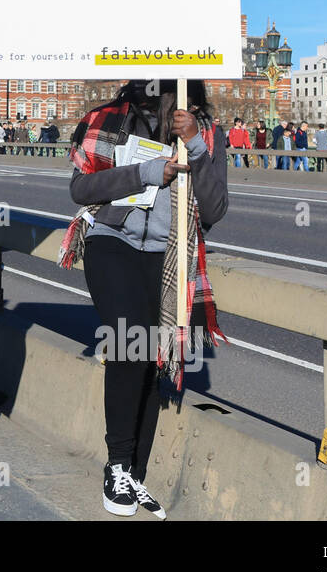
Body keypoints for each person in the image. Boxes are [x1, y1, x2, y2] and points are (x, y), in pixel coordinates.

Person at [62, 80, 228, 519]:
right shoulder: (108, 118)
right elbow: (81, 190)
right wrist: (146, 173)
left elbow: (213, 210)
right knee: (127, 342)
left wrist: (193, 144)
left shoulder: (206, 131)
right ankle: (116, 465)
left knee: (153, 356)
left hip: (169, 253)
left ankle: (135, 471)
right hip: (111, 241)